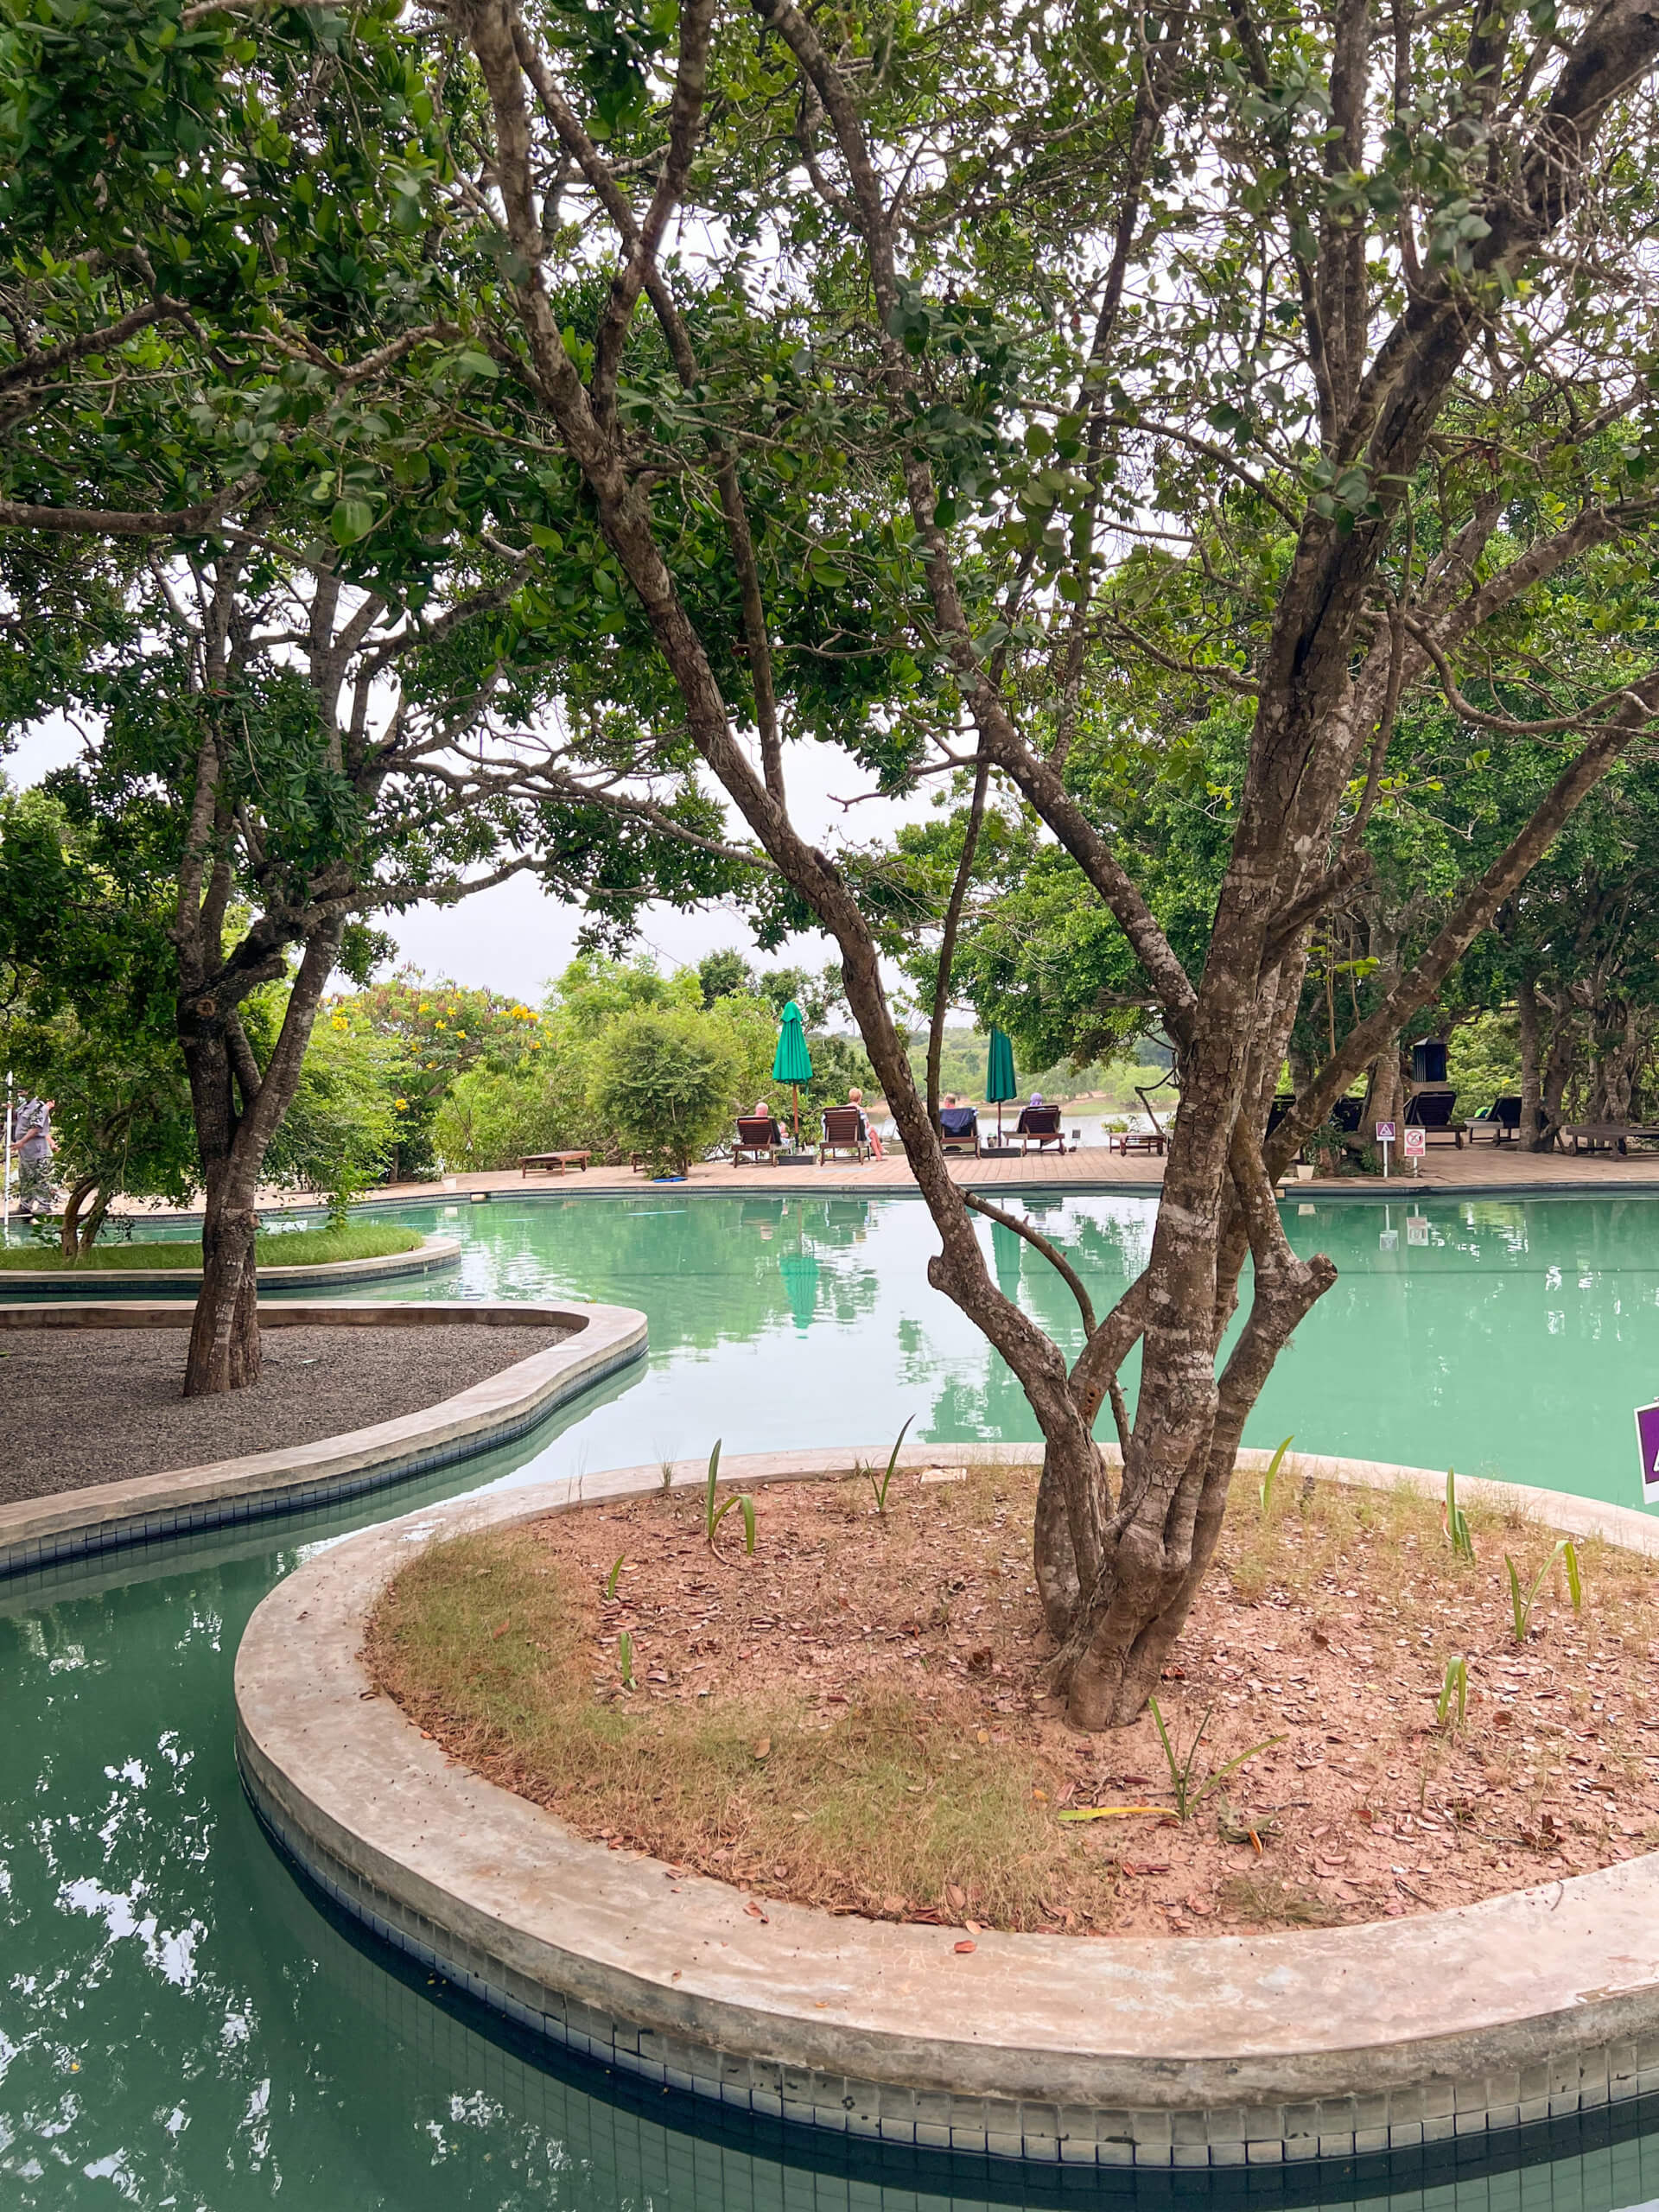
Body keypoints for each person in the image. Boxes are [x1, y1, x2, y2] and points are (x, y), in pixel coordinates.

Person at [14, 1094, 54, 1217]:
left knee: (41, 1176)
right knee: (25, 1176)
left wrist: (22, 1141)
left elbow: (37, 1128)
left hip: (37, 1148)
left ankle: (44, 1205)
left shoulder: (39, 1107)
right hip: (25, 1150)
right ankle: (25, 1205)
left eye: (22, 1090)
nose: (19, 1093)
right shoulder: (23, 1107)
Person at [847, 1085, 883, 1160]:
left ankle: (879, 1155)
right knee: (872, 1129)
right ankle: (880, 1149)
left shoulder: (843, 1109)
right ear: (859, 1098)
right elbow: (867, 1125)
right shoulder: (860, 1109)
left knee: (872, 1134)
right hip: (858, 1136)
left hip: (846, 1135)